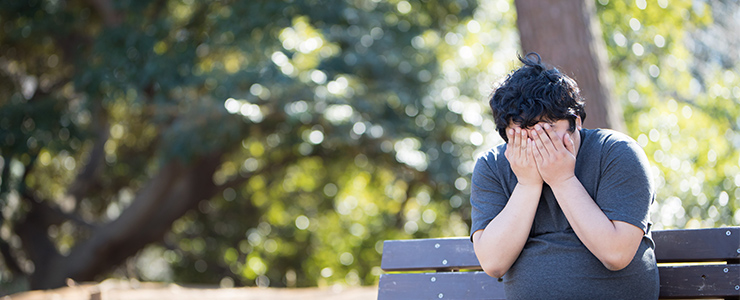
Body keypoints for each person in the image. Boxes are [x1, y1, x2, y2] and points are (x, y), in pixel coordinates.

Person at [469, 53, 659, 299]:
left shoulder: (617, 153)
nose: (537, 143)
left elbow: (616, 254)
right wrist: (527, 184)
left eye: (546, 131)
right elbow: (493, 262)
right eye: (522, 136)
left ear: (576, 121)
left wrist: (563, 180)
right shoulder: (492, 166)